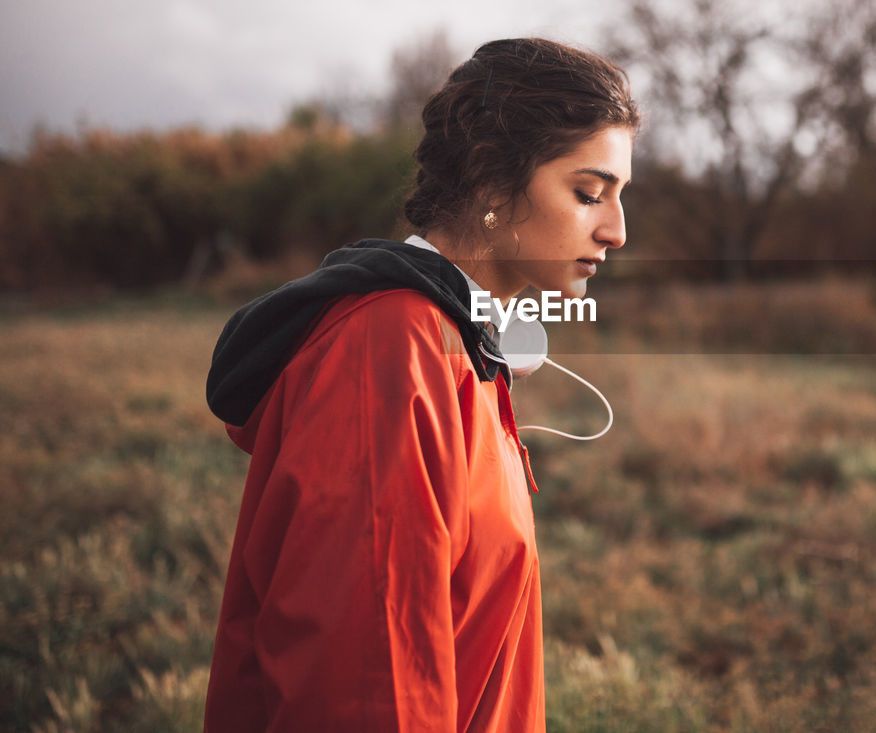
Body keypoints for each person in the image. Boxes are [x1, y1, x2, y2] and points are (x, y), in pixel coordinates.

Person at [202, 37, 638, 732]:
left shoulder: (456, 341)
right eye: (589, 193)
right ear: (493, 181)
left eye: (619, 196)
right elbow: (369, 686)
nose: (616, 229)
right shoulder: (390, 352)